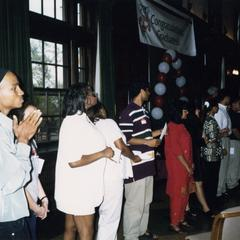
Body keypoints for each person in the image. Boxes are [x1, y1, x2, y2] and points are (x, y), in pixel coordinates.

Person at [54, 83, 114, 240]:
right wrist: (103, 152)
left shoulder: (82, 119)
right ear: (83, 98)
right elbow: (74, 161)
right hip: (79, 188)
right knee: (87, 232)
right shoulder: (73, 122)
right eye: (91, 93)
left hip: (80, 184)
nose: (95, 95)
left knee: (71, 227)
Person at [87, 102, 141, 240]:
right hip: (112, 175)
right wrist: (133, 157)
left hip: (98, 174)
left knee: (104, 215)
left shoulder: (91, 125)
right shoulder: (108, 122)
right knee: (110, 217)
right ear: (100, 110)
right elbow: (121, 146)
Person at [0, 69, 42, 239]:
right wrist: (23, 141)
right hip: (7, 221)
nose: (21, 91)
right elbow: (13, 181)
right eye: (14, 88)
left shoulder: (6, 127)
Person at [119, 81, 161, 240]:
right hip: (135, 164)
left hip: (148, 164)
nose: (149, 93)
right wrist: (147, 142)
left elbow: (144, 135)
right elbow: (125, 139)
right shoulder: (127, 112)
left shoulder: (143, 111)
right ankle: (130, 235)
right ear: (141, 90)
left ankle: (141, 232)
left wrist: (159, 133)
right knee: (134, 204)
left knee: (145, 202)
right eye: (148, 90)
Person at [13, 103, 49, 240]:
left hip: (33, 208)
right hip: (22, 211)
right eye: (31, 117)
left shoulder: (32, 143)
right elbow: (19, 185)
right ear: (20, 121)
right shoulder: (16, 145)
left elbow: (34, 176)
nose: (35, 121)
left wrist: (44, 199)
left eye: (37, 117)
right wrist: (36, 208)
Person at [164, 100, 193, 233]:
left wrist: (191, 163)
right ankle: (174, 222)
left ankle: (181, 218)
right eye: (185, 110)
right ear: (178, 112)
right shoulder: (171, 127)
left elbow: (188, 147)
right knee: (178, 194)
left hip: (186, 165)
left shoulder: (181, 126)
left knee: (185, 193)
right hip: (178, 167)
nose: (187, 113)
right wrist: (187, 167)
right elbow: (176, 151)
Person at [184, 102, 211, 217]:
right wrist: (205, 140)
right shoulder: (195, 122)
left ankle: (187, 208)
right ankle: (205, 209)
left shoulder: (186, 122)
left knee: (189, 183)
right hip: (194, 155)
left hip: (190, 155)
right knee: (197, 182)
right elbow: (199, 141)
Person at [201, 98, 223, 211]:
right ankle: (211, 204)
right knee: (212, 180)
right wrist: (221, 134)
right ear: (213, 107)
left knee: (210, 180)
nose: (218, 108)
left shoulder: (207, 119)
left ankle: (210, 203)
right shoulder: (210, 120)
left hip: (210, 154)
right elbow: (211, 138)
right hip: (212, 154)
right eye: (217, 106)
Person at [214, 89, 231, 196]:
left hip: (226, 139)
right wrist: (223, 133)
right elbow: (217, 129)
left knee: (226, 165)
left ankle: (222, 188)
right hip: (222, 140)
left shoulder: (224, 110)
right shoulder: (219, 110)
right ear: (224, 97)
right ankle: (218, 191)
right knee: (222, 165)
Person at [227, 96, 240, 191]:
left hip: (234, 142)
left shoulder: (233, 113)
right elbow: (234, 130)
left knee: (234, 161)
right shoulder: (232, 114)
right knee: (233, 161)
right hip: (233, 142)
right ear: (234, 103)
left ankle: (232, 181)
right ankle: (231, 183)